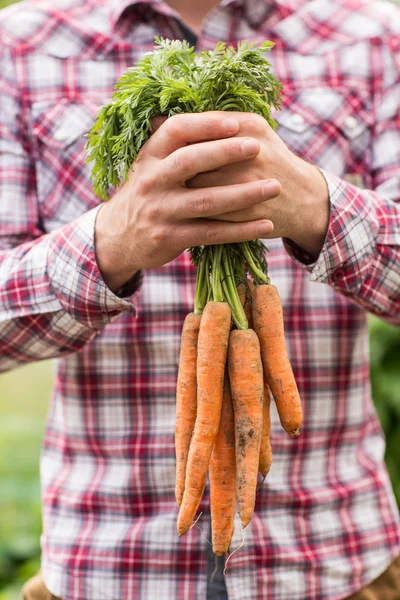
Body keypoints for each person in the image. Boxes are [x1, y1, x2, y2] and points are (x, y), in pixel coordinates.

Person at [0, 0, 400, 596]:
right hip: (110, 568)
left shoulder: (375, 36)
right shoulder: (19, 44)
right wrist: (108, 244)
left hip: (337, 561)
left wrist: (318, 208)